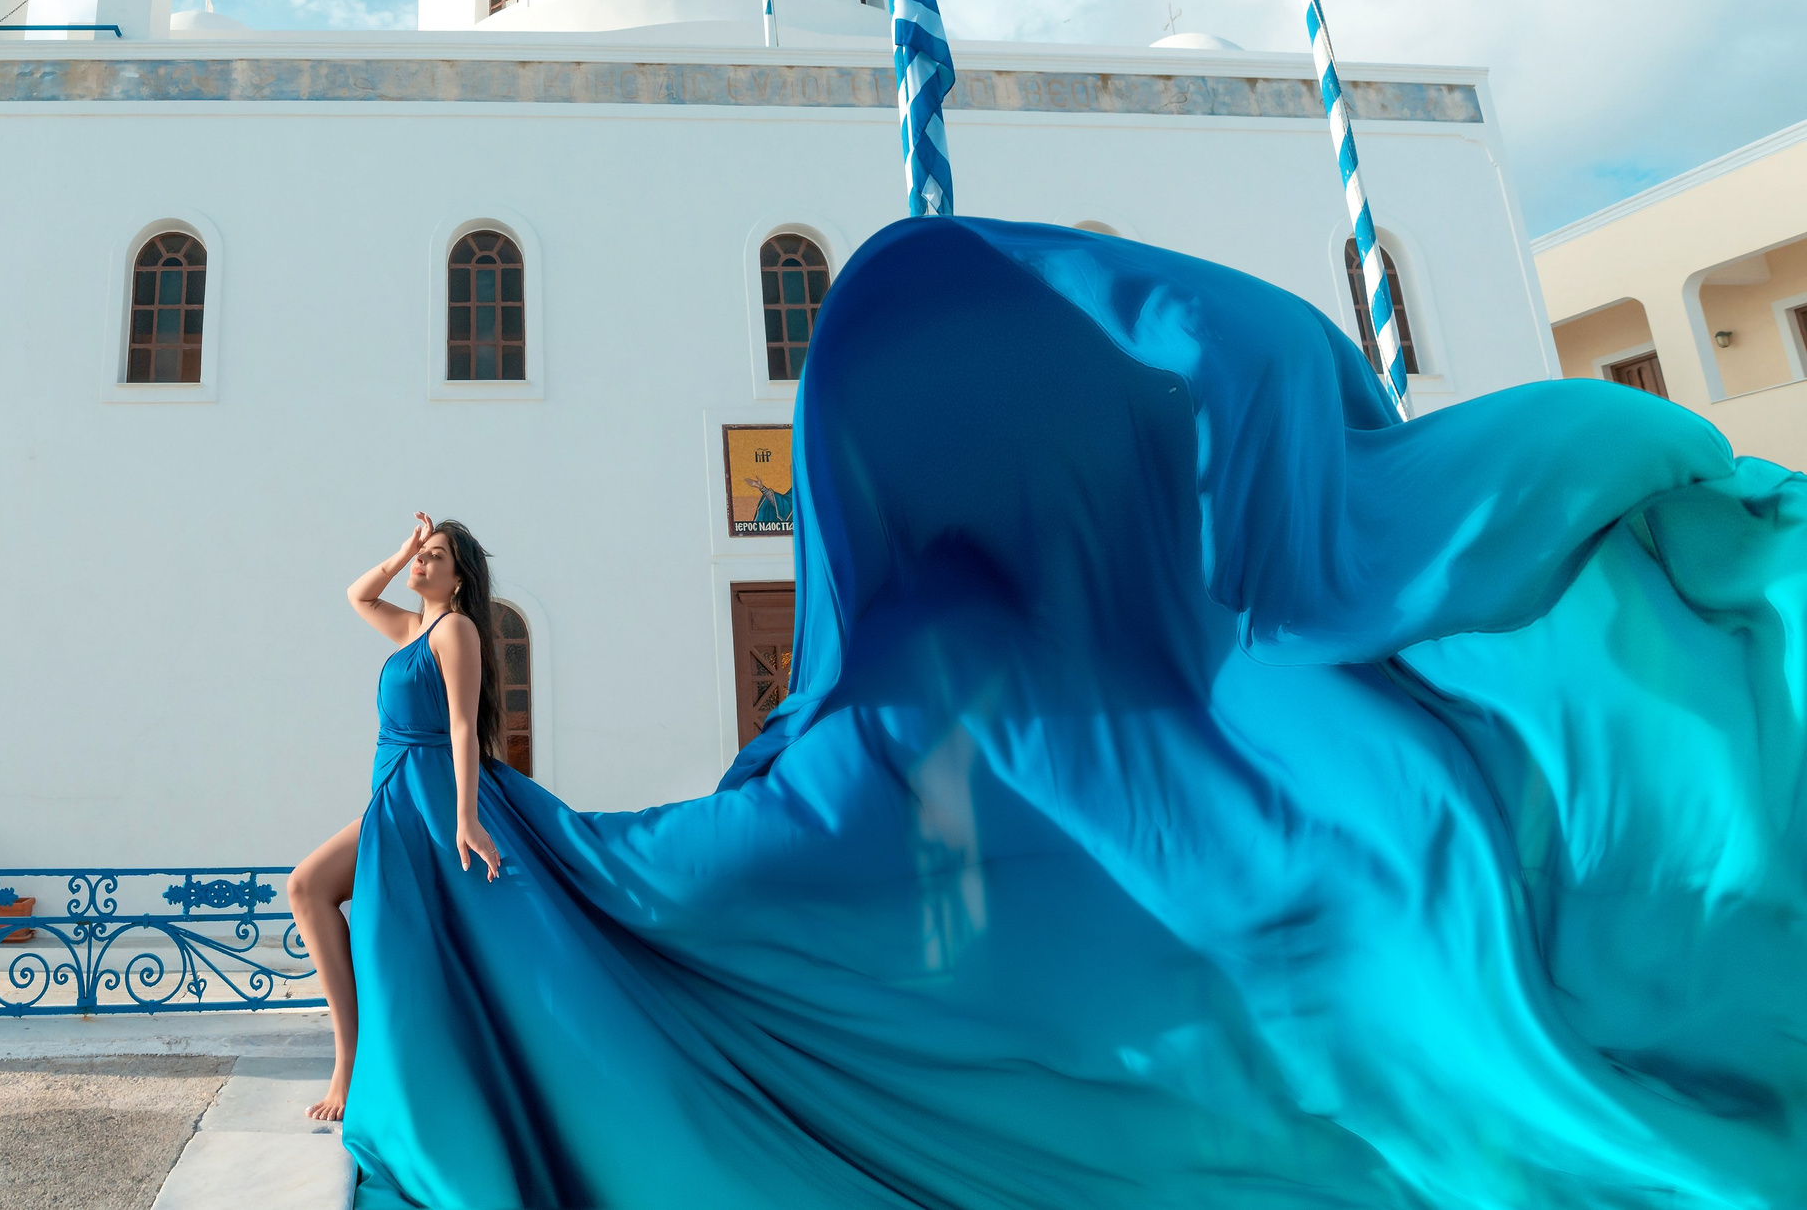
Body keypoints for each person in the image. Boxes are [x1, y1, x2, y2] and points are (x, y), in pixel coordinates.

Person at [316, 215, 1807, 1210]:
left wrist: (470, 805)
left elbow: (481, 734)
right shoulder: (920, 623)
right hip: (850, 793)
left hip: (861, 811)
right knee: (694, 916)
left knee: (718, 928)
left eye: (445, 558)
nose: (435, 568)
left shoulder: (1010, 622)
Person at [290, 513, 507, 1124]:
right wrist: (402, 547)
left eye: (437, 557)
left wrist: (466, 817)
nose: (423, 563)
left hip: (422, 792)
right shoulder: (413, 628)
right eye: (423, 554)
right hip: (391, 787)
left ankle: (350, 1063)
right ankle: (356, 1058)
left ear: (461, 579)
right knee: (313, 892)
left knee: (310, 886)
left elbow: (464, 727)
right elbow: (358, 594)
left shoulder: (455, 630)